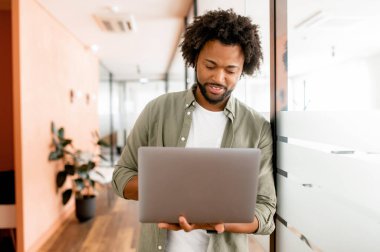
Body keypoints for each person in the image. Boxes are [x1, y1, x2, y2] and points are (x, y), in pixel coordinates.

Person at [112, 9, 276, 252]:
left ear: (243, 70)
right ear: (195, 58)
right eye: (210, 65)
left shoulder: (257, 127)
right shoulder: (158, 109)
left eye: (230, 70)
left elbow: (265, 211)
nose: (218, 78)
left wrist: (222, 222)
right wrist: (169, 192)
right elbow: (120, 177)